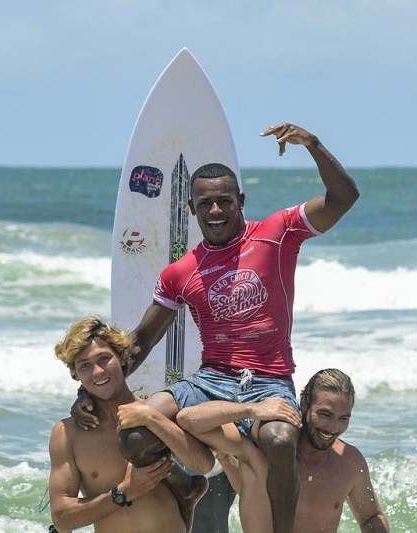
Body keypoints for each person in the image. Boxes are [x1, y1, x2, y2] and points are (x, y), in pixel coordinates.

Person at [73, 123, 360, 532]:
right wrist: (87, 391)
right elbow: (141, 342)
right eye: (205, 203)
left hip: (269, 380)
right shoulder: (181, 272)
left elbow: (344, 197)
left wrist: (312, 145)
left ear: (240, 200)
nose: (215, 211)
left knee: (279, 441)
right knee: (135, 438)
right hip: (209, 382)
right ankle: (187, 485)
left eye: (225, 201)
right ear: (191, 208)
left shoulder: (278, 233)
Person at [48, 316, 213, 533]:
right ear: (75, 375)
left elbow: (204, 465)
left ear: (123, 358)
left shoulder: (157, 410)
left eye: (104, 358)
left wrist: (153, 419)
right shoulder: (67, 433)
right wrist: (123, 492)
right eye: (85, 365)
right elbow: (62, 519)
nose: (98, 371)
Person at [176, 369, 390, 533]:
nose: (333, 427)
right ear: (304, 403)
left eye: (344, 418)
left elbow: (371, 517)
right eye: (325, 414)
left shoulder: (349, 461)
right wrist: (251, 409)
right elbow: (190, 419)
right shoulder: (264, 452)